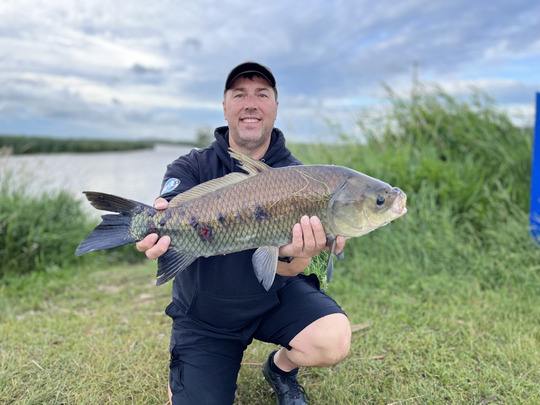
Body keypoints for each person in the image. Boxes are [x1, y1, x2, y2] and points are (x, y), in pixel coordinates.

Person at [136, 62, 351, 405]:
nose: (251, 104)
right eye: (240, 95)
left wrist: (291, 253)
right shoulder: (190, 166)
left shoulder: (301, 177)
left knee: (333, 339)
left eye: (261, 94)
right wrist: (155, 227)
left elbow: (295, 269)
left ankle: (279, 368)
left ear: (275, 107)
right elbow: (169, 207)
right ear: (225, 106)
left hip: (270, 300)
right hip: (205, 314)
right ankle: (205, 371)